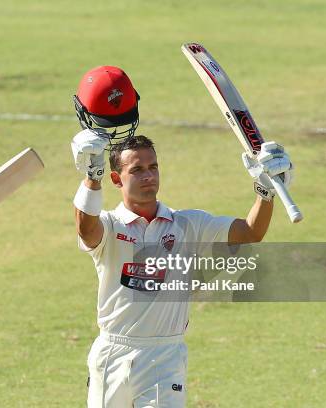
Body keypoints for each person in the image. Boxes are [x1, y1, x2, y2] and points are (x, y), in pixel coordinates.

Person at [71, 66, 293, 407]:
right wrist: (91, 178)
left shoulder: (187, 225)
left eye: (153, 167)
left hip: (165, 356)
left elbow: (250, 232)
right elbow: (87, 230)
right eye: (137, 170)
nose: (148, 177)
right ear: (117, 179)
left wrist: (265, 192)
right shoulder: (111, 225)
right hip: (113, 353)